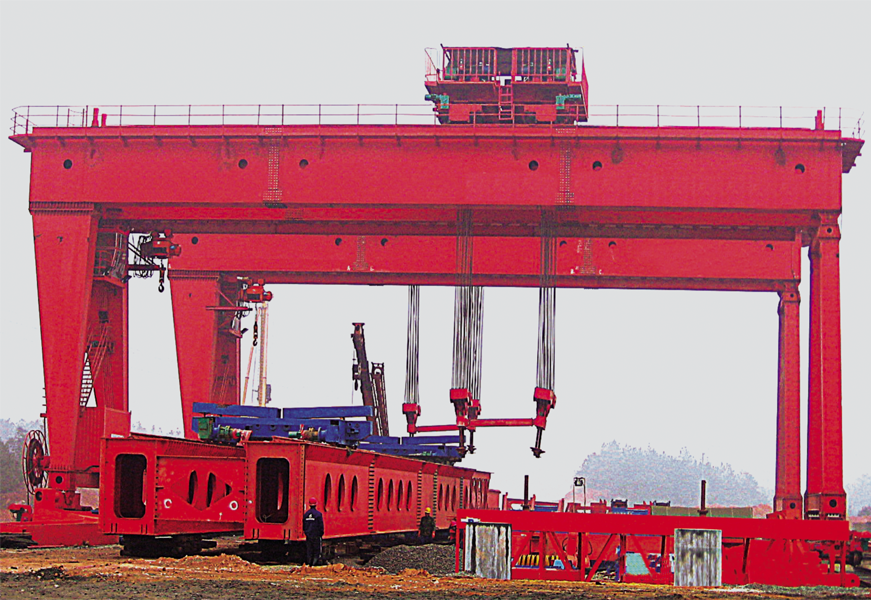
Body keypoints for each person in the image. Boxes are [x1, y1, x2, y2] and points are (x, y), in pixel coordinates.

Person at [302, 497, 324, 566]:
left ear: (309, 504)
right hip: (316, 535)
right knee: (316, 550)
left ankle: (309, 563)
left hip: (309, 536)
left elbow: (304, 526)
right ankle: (314, 564)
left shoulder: (306, 514)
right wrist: (320, 534)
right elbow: (321, 526)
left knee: (309, 550)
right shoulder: (318, 514)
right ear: (316, 504)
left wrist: (306, 533)